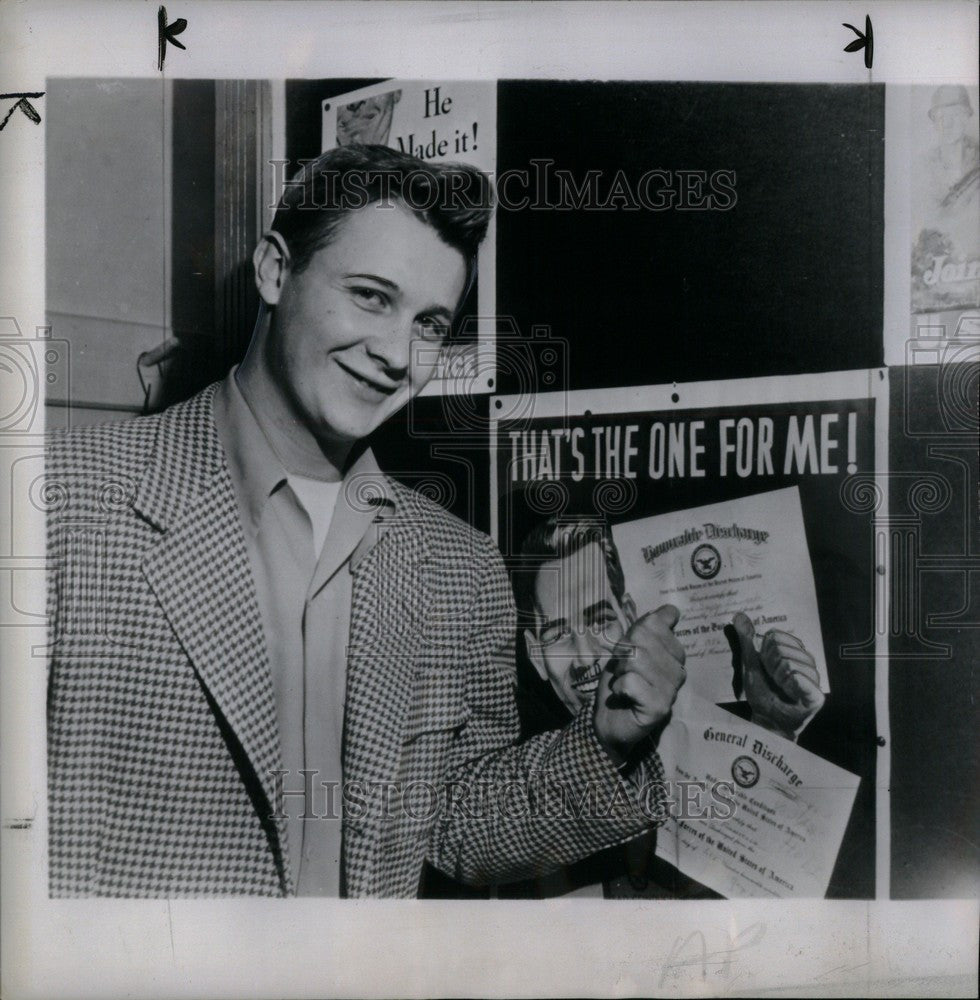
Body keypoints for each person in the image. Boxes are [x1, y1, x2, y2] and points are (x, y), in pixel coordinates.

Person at [46, 145, 685, 898]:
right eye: (372, 297)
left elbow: (455, 825)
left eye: (429, 324)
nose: (394, 353)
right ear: (275, 271)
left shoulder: (460, 565)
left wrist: (609, 741)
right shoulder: (65, 501)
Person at [501, 515, 824, 898]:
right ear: (535, 656)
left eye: (601, 620)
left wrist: (774, 734)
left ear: (630, 615)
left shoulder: (704, 754)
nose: (586, 657)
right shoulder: (514, 790)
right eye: (558, 636)